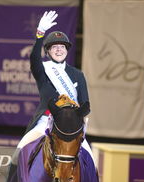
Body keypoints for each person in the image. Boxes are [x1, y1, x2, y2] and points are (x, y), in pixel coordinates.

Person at [16, 10, 93, 157]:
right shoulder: (43, 70)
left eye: (62, 47)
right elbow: (34, 59)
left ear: (67, 51)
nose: (59, 50)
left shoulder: (78, 75)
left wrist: (77, 114)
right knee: (19, 152)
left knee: (91, 161)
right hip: (46, 122)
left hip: (71, 126)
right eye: (54, 47)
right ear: (48, 52)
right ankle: (13, 180)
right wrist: (40, 35)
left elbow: (85, 104)